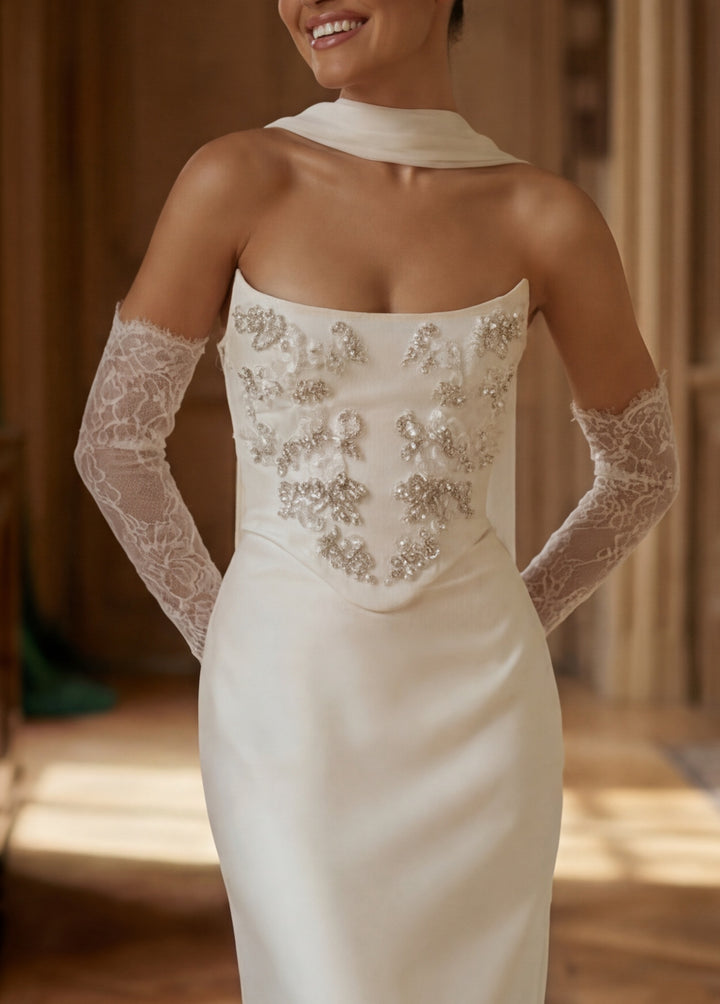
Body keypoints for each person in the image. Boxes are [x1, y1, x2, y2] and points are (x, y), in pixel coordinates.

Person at [74, 1, 679, 1001]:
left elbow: (644, 471)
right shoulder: (235, 178)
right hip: (287, 709)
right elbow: (116, 443)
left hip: (484, 717)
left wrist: (518, 620)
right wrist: (225, 632)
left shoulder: (546, 215)